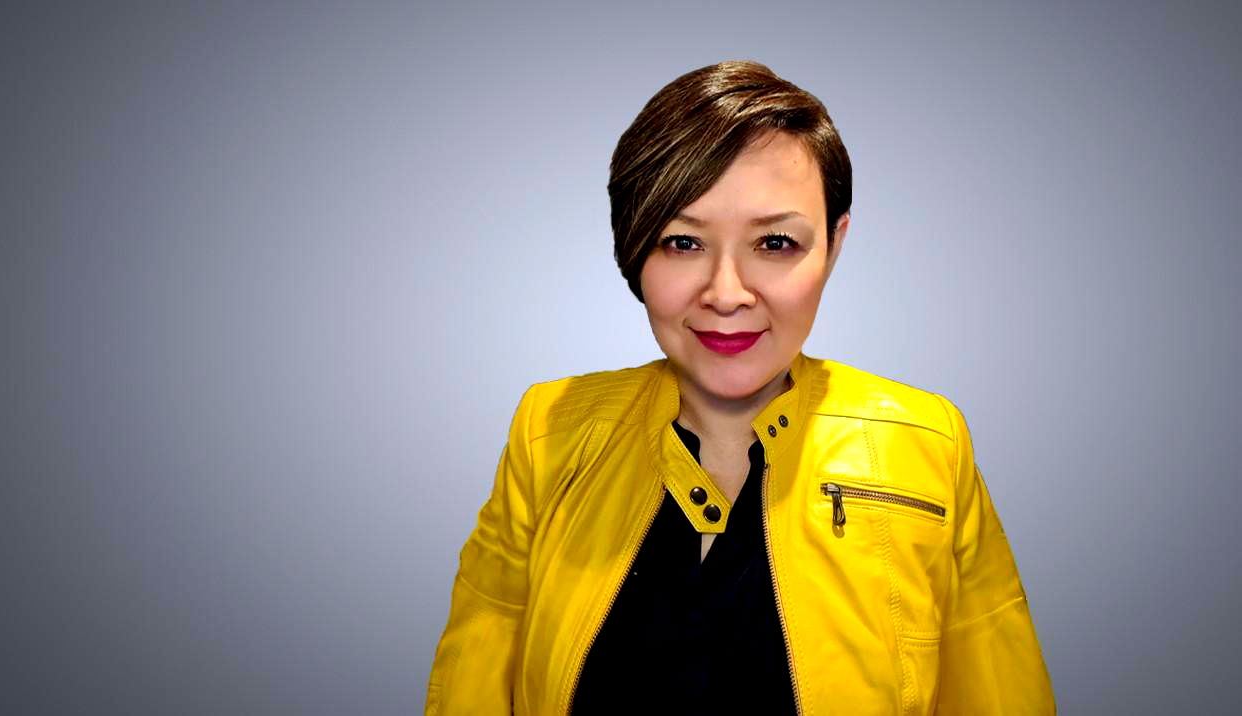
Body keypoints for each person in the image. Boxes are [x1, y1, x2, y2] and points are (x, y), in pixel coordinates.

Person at [424, 60, 1055, 715]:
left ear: (834, 245)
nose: (726, 294)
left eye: (775, 242)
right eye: (682, 242)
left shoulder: (928, 445)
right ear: (634, 252)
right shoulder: (548, 430)